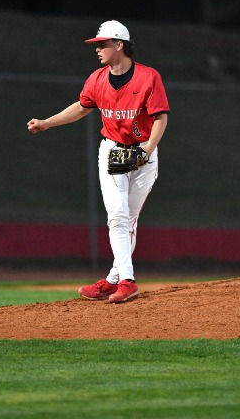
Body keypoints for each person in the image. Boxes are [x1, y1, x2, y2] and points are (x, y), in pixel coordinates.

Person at [27, 20, 170, 303]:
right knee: (117, 216)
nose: (97, 49)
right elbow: (82, 108)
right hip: (112, 152)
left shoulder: (148, 77)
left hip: (144, 153)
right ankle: (127, 280)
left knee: (129, 220)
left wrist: (148, 149)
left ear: (120, 45)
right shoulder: (96, 78)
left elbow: (160, 118)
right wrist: (47, 123)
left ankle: (113, 279)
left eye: (102, 44)